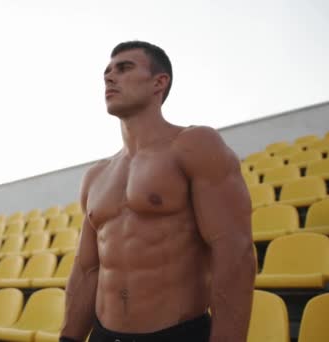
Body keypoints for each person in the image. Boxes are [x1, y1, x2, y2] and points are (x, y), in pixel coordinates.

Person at [60, 41, 256, 342]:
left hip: (176, 333)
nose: (110, 77)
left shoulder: (194, 144)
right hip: (104, 334)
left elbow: (234, 251)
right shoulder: (96, 175)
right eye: (107, 72)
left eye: (124, 68)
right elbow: (86, 269)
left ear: (159, 82)